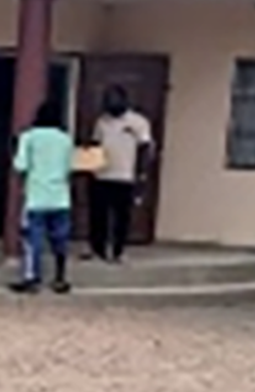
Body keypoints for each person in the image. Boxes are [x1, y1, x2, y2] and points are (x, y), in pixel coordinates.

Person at [9, 96, 74, 294]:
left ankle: (32, 278)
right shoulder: (65, 139)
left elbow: (20, 166)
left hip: (36, 196)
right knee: (60, 239)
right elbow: (69, 167)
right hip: (60, 196)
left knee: (33, 239)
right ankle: (60, 278)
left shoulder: (29, 137)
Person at [89, 84, 154, 264]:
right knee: (99, 215)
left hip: (125, 176)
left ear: (124, 100)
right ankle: (98, 250)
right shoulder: (101, 122)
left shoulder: (138, 122)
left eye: (114, 98)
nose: (110, 102)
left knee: (122, 217)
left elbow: (145, 148)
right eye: (108, 99)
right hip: (102, 175)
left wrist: (142, 174)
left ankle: (118, 251)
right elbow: (95, 145)